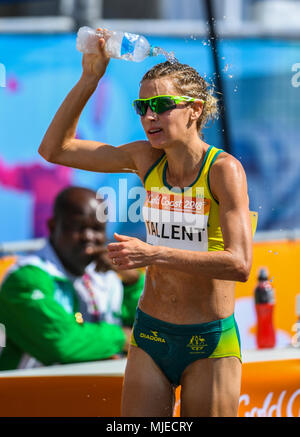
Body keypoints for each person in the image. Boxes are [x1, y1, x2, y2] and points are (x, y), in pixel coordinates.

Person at [38, 34, 256, 417]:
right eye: (142, 106)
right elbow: (54, 149)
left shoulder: (224, 171)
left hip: (208, 340)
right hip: (151, 332)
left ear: (195, 110)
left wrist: (153, 253)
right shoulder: (146, 158)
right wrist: (91, 78)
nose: (149, 117)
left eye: (162, 105)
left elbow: (238, 264)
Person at [0, 186, 144, 370]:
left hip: (94, 390)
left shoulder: (108, 276)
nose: (89, 237)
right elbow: (61, 345)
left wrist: (132, 283)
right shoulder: (26, 278)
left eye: (97, 229)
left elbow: (148, 327)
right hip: (25, 393)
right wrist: (123, 338)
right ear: (53, 227)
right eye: (79, 227)